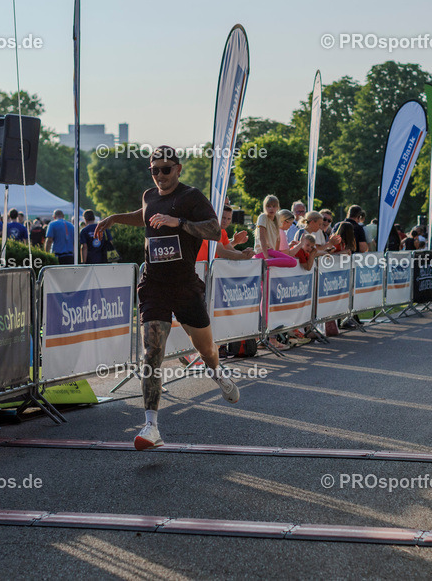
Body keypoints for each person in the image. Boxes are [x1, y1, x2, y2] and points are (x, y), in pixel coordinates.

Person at [95, 146, 239, 451]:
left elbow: (214, 229)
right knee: (153, 352)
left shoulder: (192, 197)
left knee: (206, 348)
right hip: (154, 283)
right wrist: (115, 218)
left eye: (165, 169)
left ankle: (216, 371)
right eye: (154, 170)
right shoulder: (150, 195)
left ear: (178, 169)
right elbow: (144, 215)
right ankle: (151, 426)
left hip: (185, 285)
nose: (160, 175)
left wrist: (180, 224)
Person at [254, 196, 298, 267]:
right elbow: (262, 238)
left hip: (271, 251)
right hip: (263, 252)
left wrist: (276, 255)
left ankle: (268, 263)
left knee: (292, 263)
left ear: (278, 207)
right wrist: (267, 257)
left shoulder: (277, 218)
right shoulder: (263, 217)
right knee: (293, 261)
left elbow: (278, 239)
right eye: (268, 206)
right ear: (264, 207)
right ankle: (266, 262)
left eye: (274, 206)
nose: (271, 209)